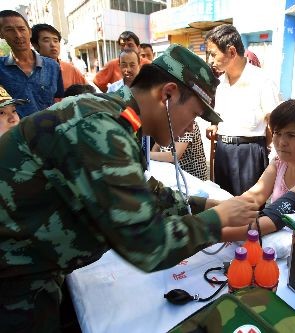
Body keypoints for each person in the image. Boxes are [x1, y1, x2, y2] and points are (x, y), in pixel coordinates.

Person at [0, 44, 259, 332]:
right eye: (194, 114)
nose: (189, 128)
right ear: (168, 93)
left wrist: (205, 206)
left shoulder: (118, 120)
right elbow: (149, 245)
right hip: (15, 277)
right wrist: (219, 219)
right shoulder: (100, 128)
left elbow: (142, 190)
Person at [221, 99, 295, 241]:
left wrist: (210, 234)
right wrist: (216, 215)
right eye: (277, 133)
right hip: (281, 240)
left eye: (291, 135)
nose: (281, 142)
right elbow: (252, 197)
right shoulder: (280, 163)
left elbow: (276, 218)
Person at [205, 24, 280, 196]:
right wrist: (216, 127)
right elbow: (221, 116)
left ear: (231, 52)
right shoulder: (221, 83)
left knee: (248, 210)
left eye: (213, 54)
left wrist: (269, 155)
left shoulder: (262, 80)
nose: (210, 60)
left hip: (249, 154)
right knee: (223, 203)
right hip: (223, 151)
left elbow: (273, 124)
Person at [0, 10, 64, 117]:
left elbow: (59, 99)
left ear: (29, 32)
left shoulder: (52, 66)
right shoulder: (1, 69)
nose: (18, 35)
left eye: (22, 29)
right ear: (1, 34)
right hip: (16, 132)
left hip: (51, 129)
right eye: (9, 30)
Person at [30, 23, 88, 90]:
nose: (53, 45)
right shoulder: (31, 71)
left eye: (55, 40)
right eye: (46, 41)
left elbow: (88, 92)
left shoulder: (70, 69)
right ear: (35, 45)